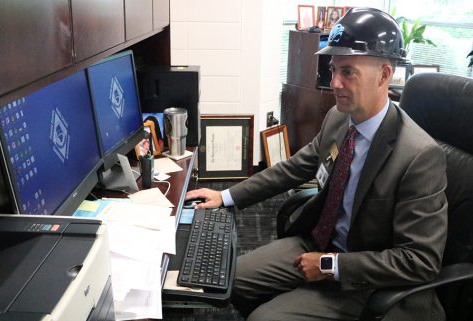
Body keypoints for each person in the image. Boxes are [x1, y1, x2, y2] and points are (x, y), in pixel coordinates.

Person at [186, 7, 447, 321]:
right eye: (333, 70)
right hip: (317, 240)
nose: (335, 82)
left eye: (348, 71)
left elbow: (420, 260)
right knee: (231, 279)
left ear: (384, 75)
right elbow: (295, 167)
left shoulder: (418, 156)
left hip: (366, 277)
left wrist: (330, 266)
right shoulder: (339, 118)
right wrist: (226, 197)